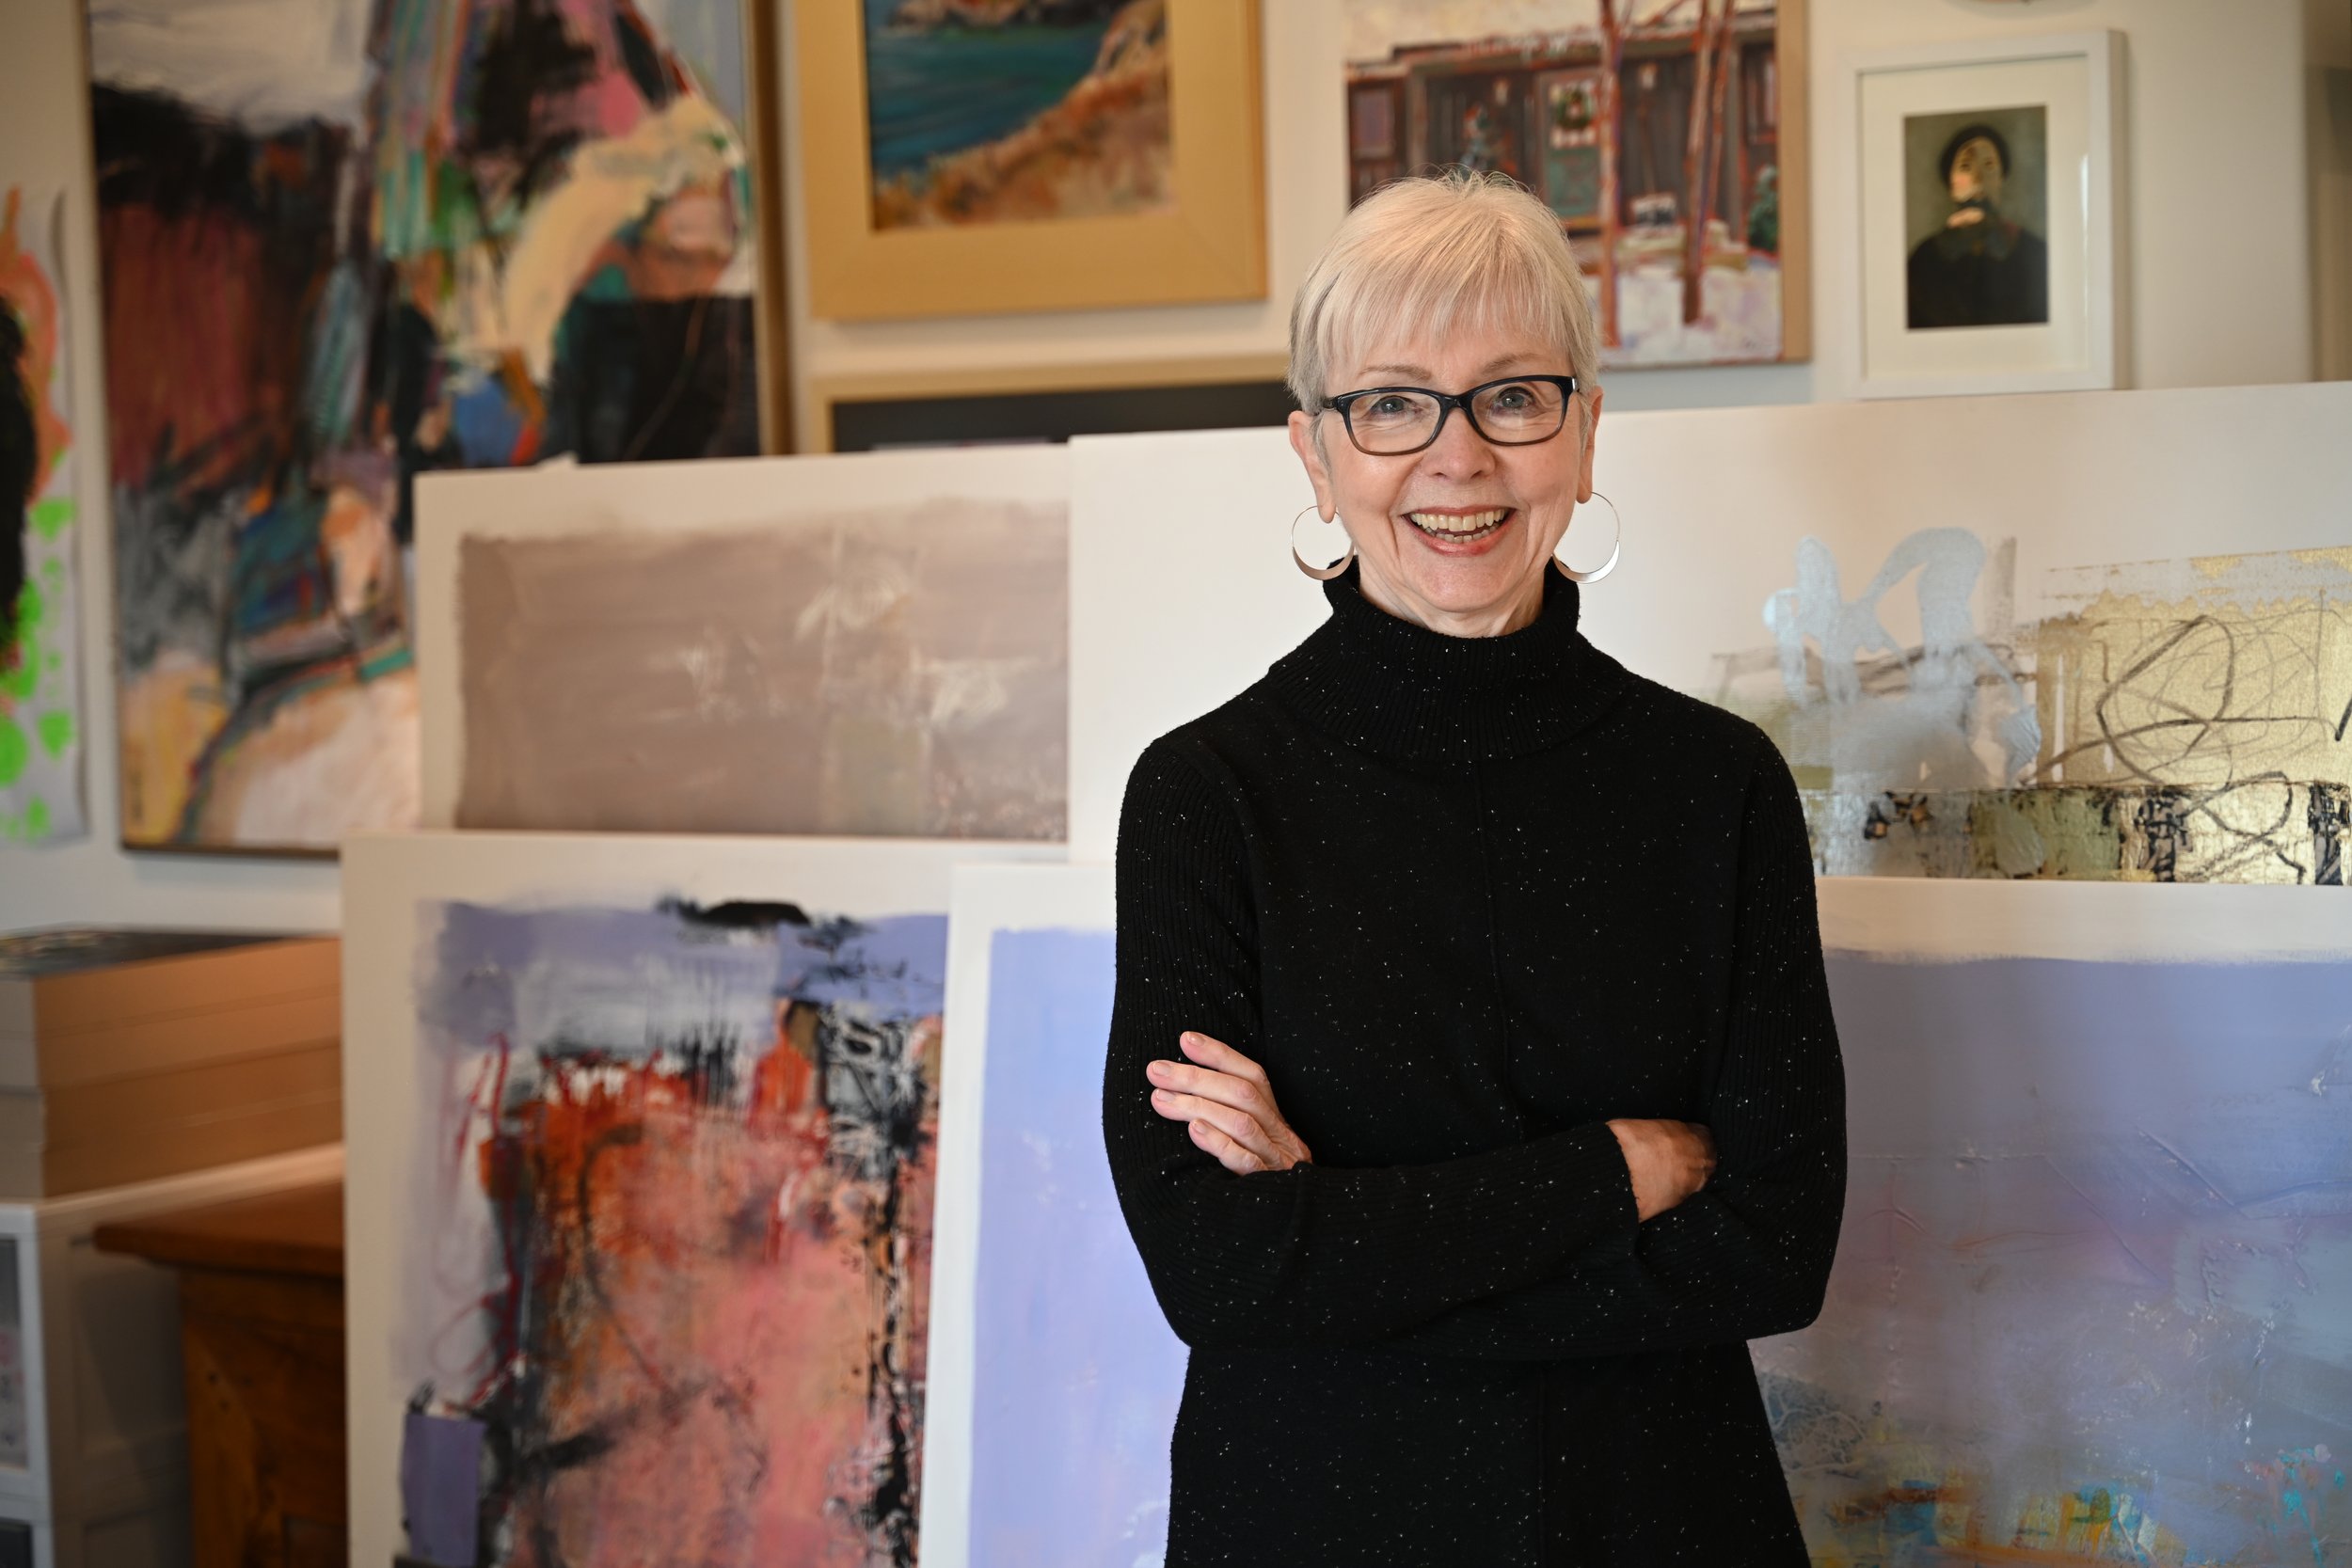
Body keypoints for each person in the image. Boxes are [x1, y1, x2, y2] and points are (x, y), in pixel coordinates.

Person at [1102, 169, 1847, 1565]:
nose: (1458, 458)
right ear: (1315, 454)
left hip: (1661, 1517)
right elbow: (1217, 1266)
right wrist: (1614, 1172)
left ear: (1586, 430)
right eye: (1391, 404)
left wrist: (1338, 1240)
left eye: (1511, 396)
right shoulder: (1206, 796)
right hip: (1316, 1522)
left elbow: (1775, 1248)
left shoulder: (1718, 784)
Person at [1906, 121, 2048, 329]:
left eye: (1989, 165)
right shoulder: (1923, 259)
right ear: (1950, 183)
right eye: (1965, 166)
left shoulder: (2034, 253)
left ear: (2001, 179)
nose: (1978, 178)